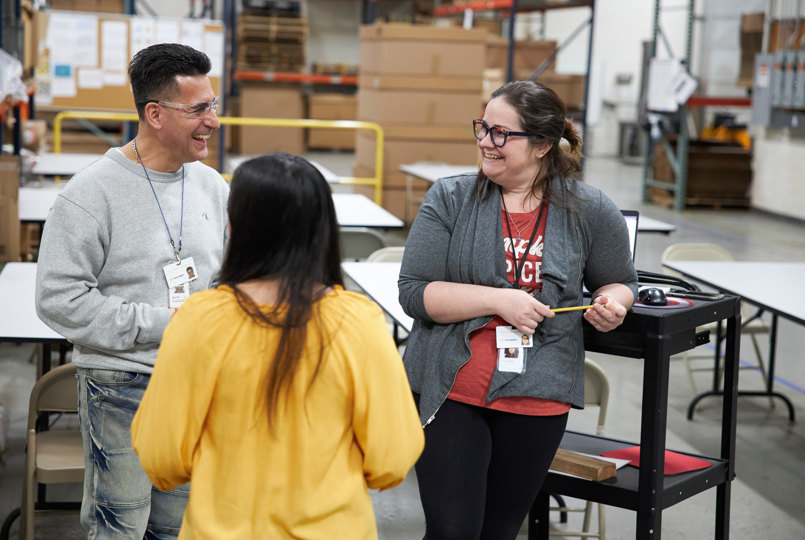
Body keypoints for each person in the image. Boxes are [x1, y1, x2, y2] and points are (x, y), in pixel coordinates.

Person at [131, 153, 424, 539]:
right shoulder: (359, 323)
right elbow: (392, 457)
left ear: (234, 226)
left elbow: (161, 456)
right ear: (323, 231)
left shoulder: (198, 319)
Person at [398, 80, 638, 540]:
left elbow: (620, 280)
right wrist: (498, 299)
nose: (486, 142)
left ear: (544, 144)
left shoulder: (589, 208)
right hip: (452, 388)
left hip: (539, 392)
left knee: (500, 531)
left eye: (502, 134)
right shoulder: (450, 197)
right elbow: (415, 291)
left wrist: (615, 303)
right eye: (483, 128)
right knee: (451, 531)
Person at [35, 43, 229, 539]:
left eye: (214, 104)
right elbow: (60, 298)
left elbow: (225, 279)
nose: (213, 120)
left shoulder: (212, 187)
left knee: (176, 527)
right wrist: (166, 324)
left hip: (195, 382)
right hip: (121, 384)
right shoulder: (90, 193)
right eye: (199, 109)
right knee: (120, 528)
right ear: (155, 114)